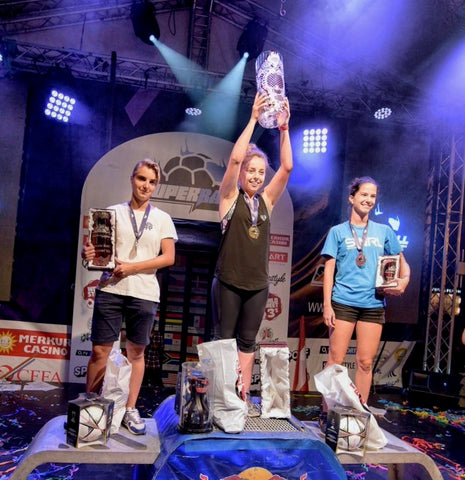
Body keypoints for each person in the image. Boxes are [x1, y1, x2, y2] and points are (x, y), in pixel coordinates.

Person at [82, 159, 177, 434]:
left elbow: (168, 257)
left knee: (136, 352)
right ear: (132, 179)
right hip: (111, 288)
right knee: (100, 351)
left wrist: (132, 268)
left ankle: (129, 409)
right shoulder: (112, 213)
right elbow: (96, 255)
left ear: (156, 186)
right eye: (141, 179)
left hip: (144, 293)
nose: (146, 185)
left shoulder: (162, 219)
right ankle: (91, 409)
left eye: (151, 181)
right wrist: (88, 255)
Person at [212, 92, 293, 416]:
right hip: (229, 281)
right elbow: (234, 161)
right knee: (224, 341)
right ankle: (220, 397)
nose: (257, 177)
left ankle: (241, 397)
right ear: (242, 173)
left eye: (261, 172)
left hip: (257, 285)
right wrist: (252, 120)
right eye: (251, 171)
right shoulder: (229, 198)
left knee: (247, 343)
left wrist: (284, 129)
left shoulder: (267, 202)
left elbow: (287, 167)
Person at [321, 176, 410, 409]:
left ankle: (360, 414)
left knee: (365, 362)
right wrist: (327, 305)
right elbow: (328, 270)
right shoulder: (337, 232)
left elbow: (402, 263)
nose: (368, 199)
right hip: (343, 302)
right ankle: (327, 412)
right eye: (364, 194)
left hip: (373, 304)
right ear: (352, 198)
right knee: (336, 361)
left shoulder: (384, 231)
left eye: (372, 196)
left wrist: (404, 281)